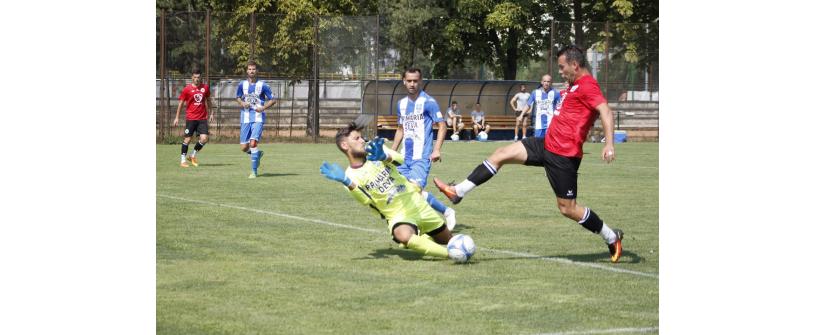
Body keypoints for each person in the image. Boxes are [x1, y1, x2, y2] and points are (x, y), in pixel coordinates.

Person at [433, 45, 625, 263]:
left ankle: (611, 236)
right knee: (501, 153)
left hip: (564, 155)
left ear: (575, 65)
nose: (560, 72)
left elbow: (606, 112)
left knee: (567, 208)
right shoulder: (574, 85)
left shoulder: (588, 85)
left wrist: (609, 144)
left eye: (562, 67)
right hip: (546, 144)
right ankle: (458, 191)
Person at [320, 123, 460, 260]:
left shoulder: (375, 150)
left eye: (361, 137)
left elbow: (401, 161)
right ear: (345, 145)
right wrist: (346, 181)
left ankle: (424, 237)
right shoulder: (349, 176)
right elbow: (366, 200)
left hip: (418, 204)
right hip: (396, 215)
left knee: (449, 240)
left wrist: (383, 156)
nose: (362, 140)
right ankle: (448, 254)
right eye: (357, 139)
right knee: (403, 235)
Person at [391, 67, 457, 230]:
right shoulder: (401, 105)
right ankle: (444, 212)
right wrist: (392, 152)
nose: (412, 84)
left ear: (420, 81)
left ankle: (445, 213)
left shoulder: (429, 102)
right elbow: (401, 129)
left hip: (421, 157)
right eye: (409, 81)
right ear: (404, 81)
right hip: (403, 157)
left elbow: (442, 126)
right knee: (401, 192)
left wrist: (436, 150)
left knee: (414, 190)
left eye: (415, 81)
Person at [236, 61, 276, 178]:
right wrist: (243, 103)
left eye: (253, 69)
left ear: (256, 71)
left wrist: (263, 107)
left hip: (258, 118)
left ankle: (254, 171)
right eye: (249, 69)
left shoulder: (263, 85)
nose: (251, 71)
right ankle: (256, 154)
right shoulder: (241, 85)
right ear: (247, 71)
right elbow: (238, 98)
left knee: (253, 143)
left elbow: (273, 100)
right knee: (244, 147)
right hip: (245, 118)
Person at [173, 68, 214, 167]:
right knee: (187, 140)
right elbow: (180, 104)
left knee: (204, 138)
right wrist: (177, 117)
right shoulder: (187, 89)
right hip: (191, 118)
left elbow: (208, 101)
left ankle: (192, 155)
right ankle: (183, 161)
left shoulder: (205, 88)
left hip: (202, 118)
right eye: (195, 77)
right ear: (192, 77)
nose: (196, 79)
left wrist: (212, 113)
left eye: (198, 77)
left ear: (201, 78)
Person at [524, 74, 561, 138]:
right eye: (544, 81)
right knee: (538, 144)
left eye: (548, 81)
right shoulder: (535, 93)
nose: (546, 83)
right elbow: (528, 104)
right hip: (539, 124)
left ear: (551, 82)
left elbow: (561, 106)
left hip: (551, 124)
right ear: (541, 82)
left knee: (550, 144)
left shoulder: (556, 93)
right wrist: (521, 114)